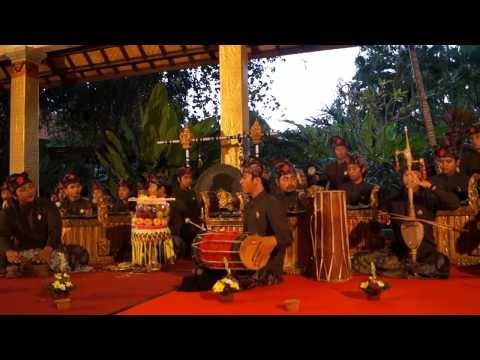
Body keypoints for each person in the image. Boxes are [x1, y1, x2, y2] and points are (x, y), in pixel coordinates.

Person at [353, 168, 460, 278]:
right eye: (406, 175)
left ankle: (407, 271)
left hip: (425, 253)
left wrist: (430, 186)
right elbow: (382, 227)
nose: (410, 178)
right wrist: (384, 224)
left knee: (442, 263)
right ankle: (412, 270)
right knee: (358, 260)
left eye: (413, 174)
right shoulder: (394, 199)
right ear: (402, 178)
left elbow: (454, 204)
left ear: (420, 176)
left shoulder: (428, 197)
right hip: (401, 253)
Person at [0, 172, 89, 274]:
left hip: (48, 248)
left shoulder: (47, 205)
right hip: (22, 251)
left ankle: (30, 269)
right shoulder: (8, 212)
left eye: (31, 187)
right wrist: (9, 251)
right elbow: (2, 235)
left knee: (79, 254)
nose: (29, 191)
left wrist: (48, 249)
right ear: (15, 196)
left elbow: (55, 230)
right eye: (22, 190)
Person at [170, 167, 202, 257]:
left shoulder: (192, 193)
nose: (188, 180)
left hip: (193, 225)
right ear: (178, 179)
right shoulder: (175, 193)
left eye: (190, 178)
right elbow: (179, 210)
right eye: (185, 178)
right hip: (181, 228)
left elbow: (196, 209)